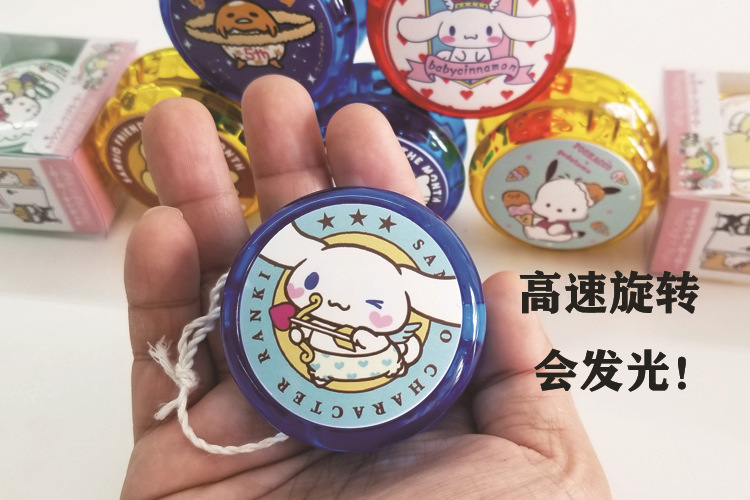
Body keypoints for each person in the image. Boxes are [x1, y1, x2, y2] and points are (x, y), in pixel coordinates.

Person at [121, 75, 610, 499]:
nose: (336, 304)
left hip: (371, 369)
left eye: (374, 300)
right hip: (315, 375)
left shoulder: (401, 328)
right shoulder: (296, 311)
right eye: (316, 283)